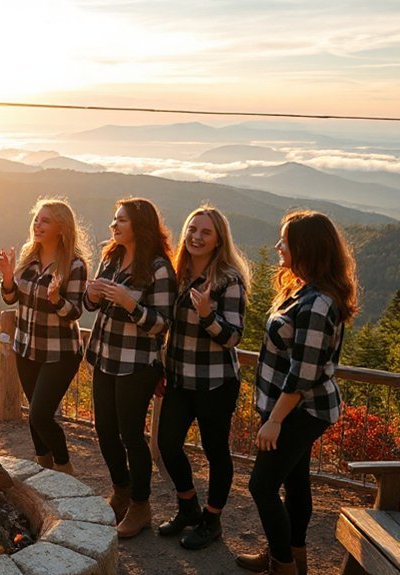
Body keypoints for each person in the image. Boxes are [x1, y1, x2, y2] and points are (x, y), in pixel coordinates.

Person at [237, 210, 358, 575]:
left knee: (261, 486)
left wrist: (274, 420)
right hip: (286, 407)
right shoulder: (302, 289)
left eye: (285, 241)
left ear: (305, 247)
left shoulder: (319, 303)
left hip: (298, 410)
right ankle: (292, 554)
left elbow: (303, 374)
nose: (278, 246)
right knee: (295, 480)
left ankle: (283, 565)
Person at [157, 205, 249, 550]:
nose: (196, 237)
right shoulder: (177, 274)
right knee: (167, 444)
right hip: (180, 379)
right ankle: (188, 506)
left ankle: (212, 520)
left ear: (218, 239)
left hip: (215, 383)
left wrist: (208, 315)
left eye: (205, 232)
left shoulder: (228, 280)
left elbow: (233, 337)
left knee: (216, 452)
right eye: (192, 229)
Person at [85, 197, 176, 538]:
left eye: (121, 220)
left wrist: (129, 303)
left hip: (137, 364)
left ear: (139, 225)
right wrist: (92, 294)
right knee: (105, 430)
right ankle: (121, 491)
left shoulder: (159, 268)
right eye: (114, 219)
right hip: (105, 356)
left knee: (131, 435)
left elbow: (162, 324)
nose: (114, 225)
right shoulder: (112, 257)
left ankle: (141, 505)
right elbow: (89, 305)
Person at [0, 198, 90, 475]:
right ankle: (43, 469)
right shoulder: (29, 257)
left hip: (60, 353)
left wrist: (56, 299)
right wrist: (7, 278)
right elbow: (12, 298)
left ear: (61, 228)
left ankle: (64, 467)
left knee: (40, 414)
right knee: (34, 418)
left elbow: (74, 312)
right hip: (26, 348)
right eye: (37, 219)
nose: (37, 224)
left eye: (45, 220)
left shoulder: (75, 265)